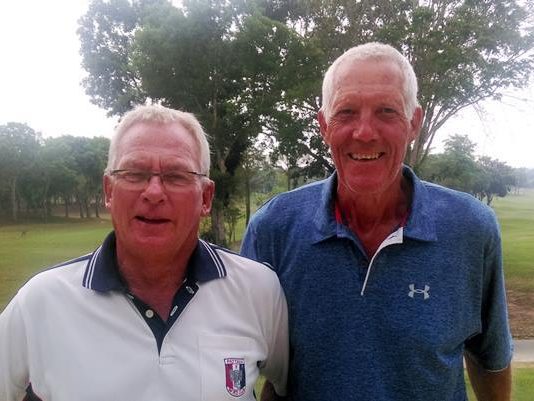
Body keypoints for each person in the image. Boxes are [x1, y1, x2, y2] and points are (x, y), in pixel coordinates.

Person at [241, 42, 512, 401]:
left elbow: (490, 358)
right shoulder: (274, 229)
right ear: (324, 125)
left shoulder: (471, 229)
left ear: (414, 123)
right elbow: (242, 364)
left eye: (386, 111)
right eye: (346, 112)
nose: (365, 132)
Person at [0, 104, 288, 401]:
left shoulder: (258, 290)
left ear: (206, 197)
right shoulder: (41, 301)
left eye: (176, 176)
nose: (153, 192)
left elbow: (287, 387)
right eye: (134, 174)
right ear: (109, 191)